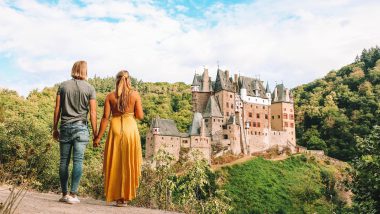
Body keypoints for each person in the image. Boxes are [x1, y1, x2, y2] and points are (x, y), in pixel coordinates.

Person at [94, 70, 143, 206]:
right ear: (129, 81)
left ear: (117, 81)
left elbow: (105, 118)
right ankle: (125, 198)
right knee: (128, 162)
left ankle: (116, 197)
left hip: (115, 130)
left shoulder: (110, 96)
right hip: (130, 130)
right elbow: (139, 116)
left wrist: (97, 137)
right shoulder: (135, 95)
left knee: (115, 162)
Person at [53, 60, 97, 204]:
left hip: (65, 126)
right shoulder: (90, 88)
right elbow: (93, 113)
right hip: (81, 128)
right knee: (78, 161)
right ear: (85, 71)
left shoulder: (63, 86)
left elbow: (57, 109)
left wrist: (55, 128)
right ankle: (73, 194)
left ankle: (64, 194)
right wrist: (96, 133)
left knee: (63, 161)